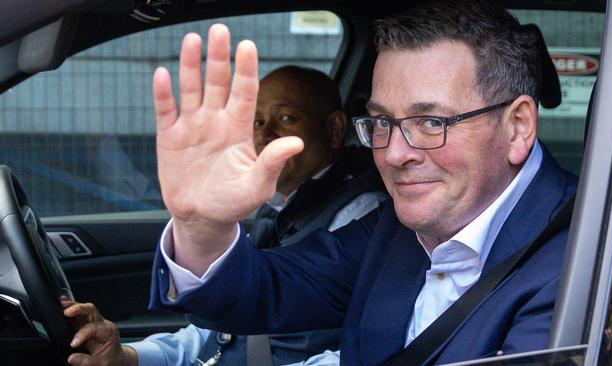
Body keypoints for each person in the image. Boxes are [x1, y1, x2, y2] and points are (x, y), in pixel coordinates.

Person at [73, 0, 580, 364]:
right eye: (381, 122)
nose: (395, 154)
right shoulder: (399, 229)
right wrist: (202, 224)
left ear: (517, 127)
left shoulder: (586, 262)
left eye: (432, 123)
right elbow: (263, 292)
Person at [62, 66, 387, 366]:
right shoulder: (275, 210)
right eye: (257, 122)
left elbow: (364, 348)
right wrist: (130, 357)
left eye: (286, 118)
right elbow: (215, 330)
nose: (265, 133)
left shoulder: (361, 215)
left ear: (334, 129)